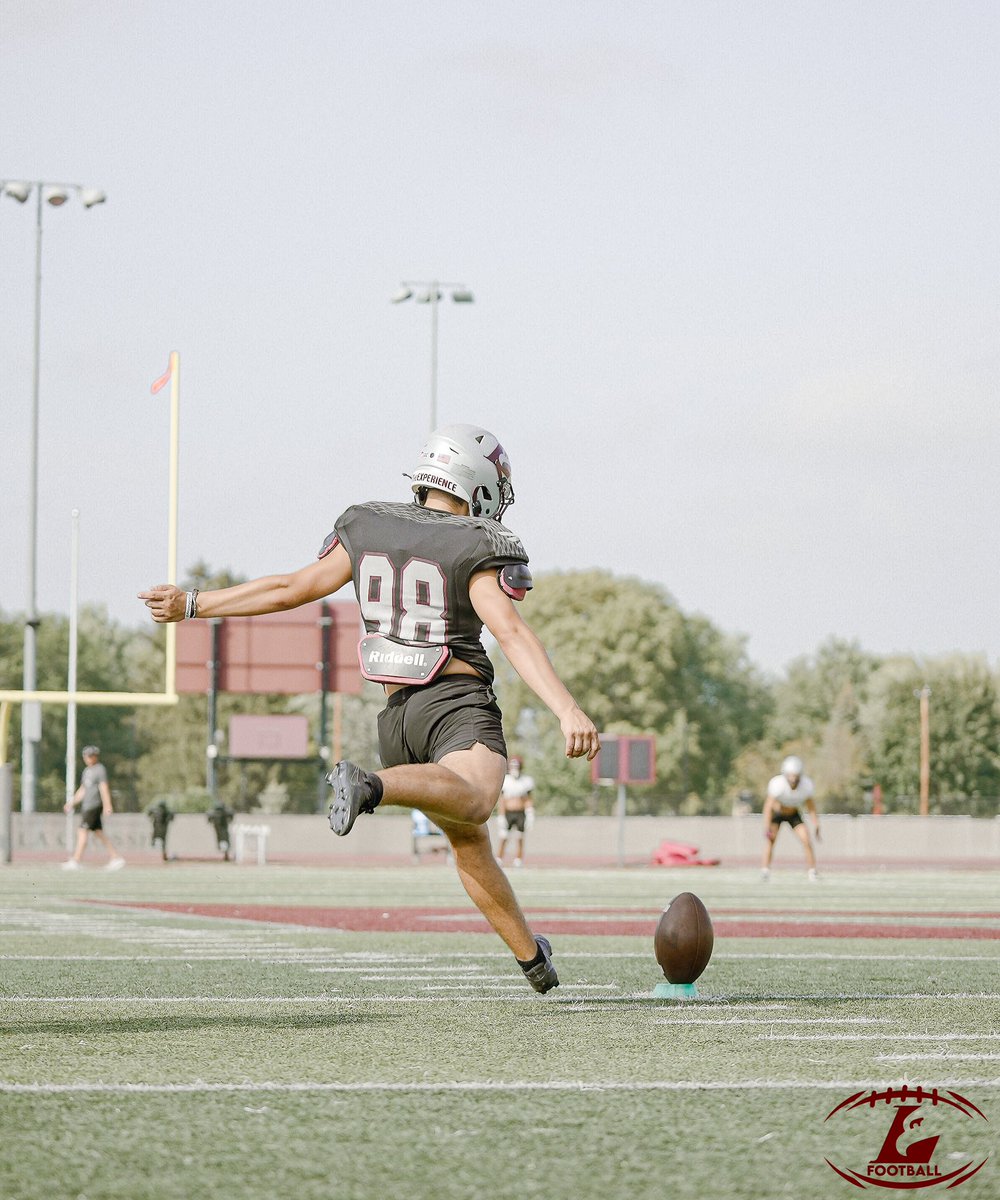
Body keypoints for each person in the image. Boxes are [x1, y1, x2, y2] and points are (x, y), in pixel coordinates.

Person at [139, 423, 600, 993]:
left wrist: (193, 604)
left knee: (468, 843)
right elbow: (509, 631)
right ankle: (372, 786)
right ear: (477, 482)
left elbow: (291, 587)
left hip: (396, 719)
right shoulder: (477, 542)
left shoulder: (368, 524)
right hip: (454, 703)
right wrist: (566, 707)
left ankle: (533, 960)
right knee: (480, 799)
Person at [62, 746, 126, 870]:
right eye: (86, 755)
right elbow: (83, 789)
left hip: (93, 806)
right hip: (87, 805)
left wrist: (108, 805)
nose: (88, 758)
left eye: (90, 755)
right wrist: (71, 803)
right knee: (98, 833)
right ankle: (116, 857)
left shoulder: (99, 770)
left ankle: (76, 860)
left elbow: (104, 788)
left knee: (82, 831)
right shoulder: (87, 771)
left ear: (96, 756)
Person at [761, 755, 820, 881]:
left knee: (806, 839)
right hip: (778, 813)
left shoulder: (806, 785)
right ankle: (765, 870)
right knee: (771, 840)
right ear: (785, 774)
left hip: (793, 814)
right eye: (790, 776)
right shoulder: (778, 784)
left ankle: (812, 871)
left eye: (796, 776)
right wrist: (767, 827)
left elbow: (811, 807)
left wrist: (816, 823)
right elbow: (768, 807)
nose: (793, 779)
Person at [496, 755, 535, 867]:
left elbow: (527, 799)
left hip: (520, 813)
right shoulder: (506, 780)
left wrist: (530, 813)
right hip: (508, 813)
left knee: (520, 838)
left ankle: (518, 859)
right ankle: (499, 858)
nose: (514, 769)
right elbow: (502, 800)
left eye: (516, 766)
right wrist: (501, 815)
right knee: (503, 837)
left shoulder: (526, 781)